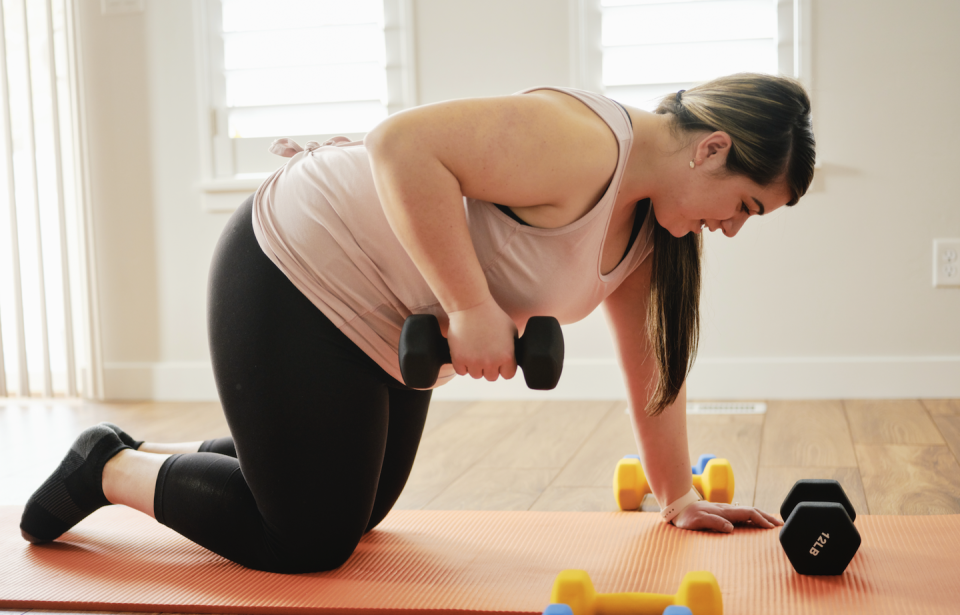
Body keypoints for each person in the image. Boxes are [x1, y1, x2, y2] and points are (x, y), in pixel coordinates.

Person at [20, 73, 815, 574]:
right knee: (309, 539)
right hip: (300, 261)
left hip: (390, 313)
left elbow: (652, 367)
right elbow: (401, 144)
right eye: (746, 206)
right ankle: (107, 466)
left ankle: (232, 455)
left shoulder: (651, 231)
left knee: (361, 509)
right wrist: (472, 308)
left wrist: (678, 494)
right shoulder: (584, 142)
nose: (734, 228)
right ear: (713, 148)